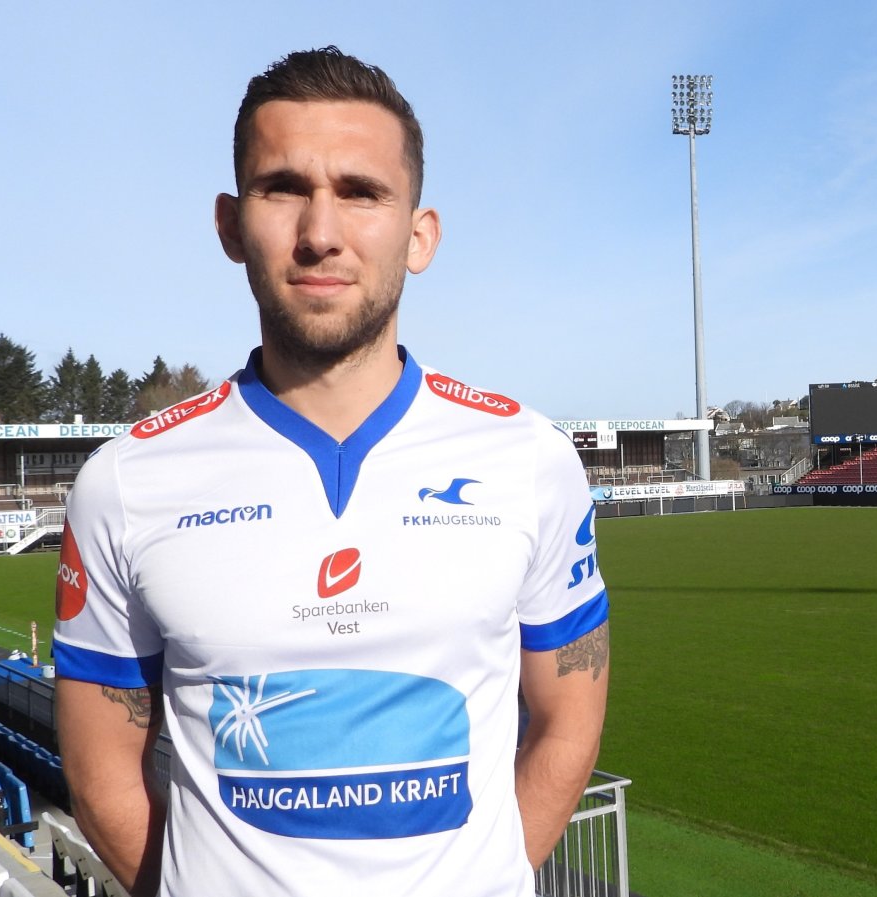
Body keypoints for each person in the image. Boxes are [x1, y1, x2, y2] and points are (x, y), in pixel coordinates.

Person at [52, 47, 609, 897]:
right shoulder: (124, 483)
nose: (320, 233)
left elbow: (567, 722)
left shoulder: (529, 459)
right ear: (230, 225)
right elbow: (102, 775)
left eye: (361, 192)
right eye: (283, 188)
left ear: (419, 234)